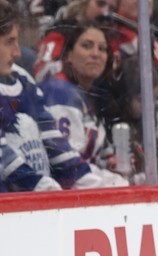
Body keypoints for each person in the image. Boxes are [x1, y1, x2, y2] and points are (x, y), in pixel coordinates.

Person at [0, 0, 99, 190]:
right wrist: (45, 191)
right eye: (9, 42)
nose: (17, 52)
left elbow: (52, 139)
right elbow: (4, 159)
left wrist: (93, 184)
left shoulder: (22, 79)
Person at [40, 23, 128, 186]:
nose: (96, 54)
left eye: (102, 49)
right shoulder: (58, 91)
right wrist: (117, 184)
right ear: (68, 55)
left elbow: (91, 159)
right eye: (87, 46)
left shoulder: (89, 96)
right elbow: (68, 171)